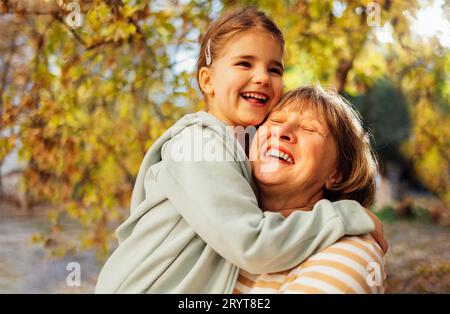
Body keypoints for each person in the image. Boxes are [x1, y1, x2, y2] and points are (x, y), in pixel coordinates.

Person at [95, 8, 386, 294]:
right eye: (245, 64)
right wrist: (345, 215)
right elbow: (252, 244)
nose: (261, 77)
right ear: (207, 81)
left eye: (274, 69)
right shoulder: (199, 145)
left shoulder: (236, 152)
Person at [234, 86, 386, 294]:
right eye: (275, 121)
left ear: (337, 173)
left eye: (309, 128)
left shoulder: (353, 251)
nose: (282, 131)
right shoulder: (217, 219)